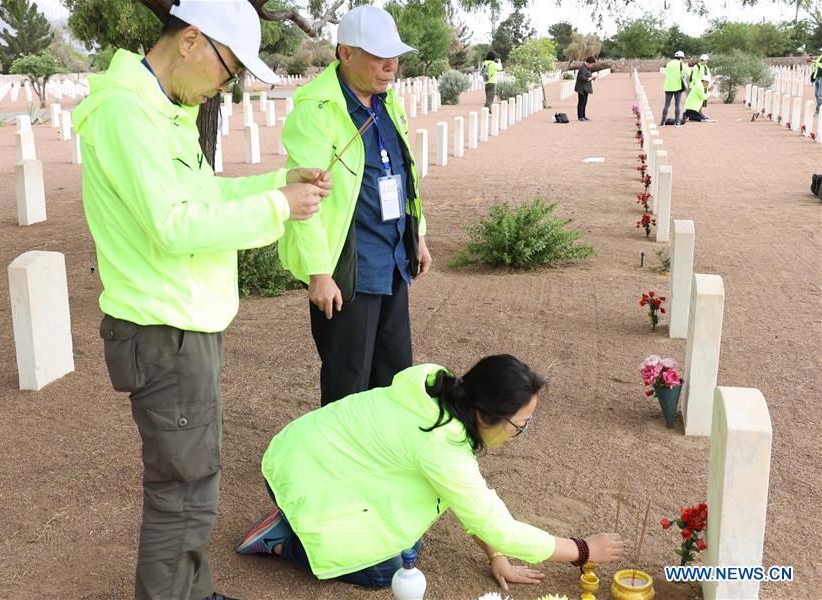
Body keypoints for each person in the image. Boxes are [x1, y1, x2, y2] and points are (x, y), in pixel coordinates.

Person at [71, 1, 332, 599]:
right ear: (191, 40)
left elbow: (202, 194)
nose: (225, 84)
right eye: (229, 67)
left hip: (184, 325)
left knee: (195, 480)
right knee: (180, 489)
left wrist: (278, 184)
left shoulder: (162, 110)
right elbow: (175, 225)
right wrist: (278, 209)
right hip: (164, 330)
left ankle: (195, 590)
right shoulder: (126, 113)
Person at [235, 356, 625, 591]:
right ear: (488, 415)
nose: (520, 433)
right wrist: (582, 550)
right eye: (520, 424)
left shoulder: (443, 392)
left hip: (301, 451)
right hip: (299, 473)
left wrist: (496, 554)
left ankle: (304, 519)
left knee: (407, 538)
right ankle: (283, 539)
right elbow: (495, 522)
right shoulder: (441, 446)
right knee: (384, 571)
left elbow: (468, 498)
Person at [279, 4, 432, 407]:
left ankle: (384, 462)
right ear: (346, 53)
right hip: (349, 271)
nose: (391, 65)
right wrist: (319, 272)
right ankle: (339, 468)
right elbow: (305, 199)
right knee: (349, 382)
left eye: (395, 56)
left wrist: (418, 236)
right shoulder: (316, 111)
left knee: (396, 376)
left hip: (394, 261)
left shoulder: (387, 103)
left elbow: (404, 173)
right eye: (380, 56)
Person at [660, 50, 691, 128]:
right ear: (681, 58)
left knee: (666, 105)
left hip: (668, 86)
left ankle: (662, 122)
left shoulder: (669, 64)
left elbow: (666, 72)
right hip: (677, 87)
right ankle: (677, 123)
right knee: (677, 105)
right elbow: (689, 73)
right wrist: (686, 66)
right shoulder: (681, 64)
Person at [575, 56, 598, 122]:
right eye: (592, 64)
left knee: (584, 103)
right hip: (581, 88)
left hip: (586, 88)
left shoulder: (587, 68)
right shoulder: (582, 68)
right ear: (589, 62)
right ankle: (580, 116)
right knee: (581, 103)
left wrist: (592, 77)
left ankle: (583, 116)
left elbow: (588, 76)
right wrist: (591, 78)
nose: (592, 66)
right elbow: (582, 78)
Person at [811, 47, 822, 115]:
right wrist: (813, 62)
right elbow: (816, 65)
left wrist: (816, 62)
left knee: (820, 95)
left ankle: (818, 111)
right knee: (816, 94)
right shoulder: (820, 57)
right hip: (817, 76)